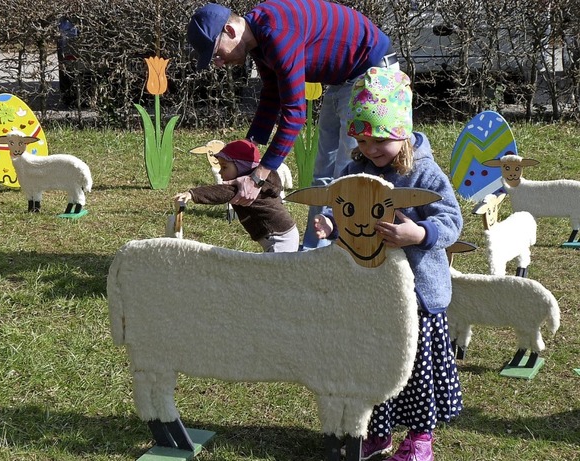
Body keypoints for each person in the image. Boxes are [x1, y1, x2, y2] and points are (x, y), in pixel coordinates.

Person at [313, 67, 463, 461]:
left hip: (418, 297)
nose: (371, 148)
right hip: (372, 291)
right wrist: (330, 223)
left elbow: (451, 220)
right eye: (362, 140)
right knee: (375, 363)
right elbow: (339, 205)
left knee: (415, 370)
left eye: (380, 139)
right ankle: (377, 433)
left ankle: (420, 438)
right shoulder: (354, 170)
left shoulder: (426, 173)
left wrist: (421, 235)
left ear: (402, 132)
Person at [186, 0, 399, 249]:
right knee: (322, 173)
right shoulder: (258, 42)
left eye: (217, 54)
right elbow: (272, 94)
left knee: (347, 170)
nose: (220, 63)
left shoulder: (277, 34)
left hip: (372, 71)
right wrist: (248, 146)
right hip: (344, 78)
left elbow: (295, 115)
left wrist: (258, 177)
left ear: (231, 31)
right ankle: (311, 252)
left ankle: (346, 253)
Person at [173, 139, 299, 253]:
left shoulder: (247, 188)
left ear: (242, 167)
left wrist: (192, 194)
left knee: (274, 272)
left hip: (279, 238)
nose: (221, 172)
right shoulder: (258, 182)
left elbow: (221, 193)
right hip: (283, 233)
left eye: (224, 167)